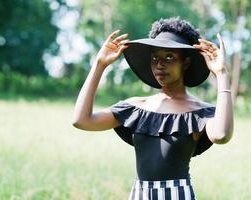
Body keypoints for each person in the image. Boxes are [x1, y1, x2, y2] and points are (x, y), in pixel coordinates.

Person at [72, 17, 233, 200]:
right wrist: (99, 65)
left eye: (169, 57)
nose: (160, 64)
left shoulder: (199, 113)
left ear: (186, 63)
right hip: (139, 195)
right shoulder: (136, 108)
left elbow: (221, 135)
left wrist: (221, 74)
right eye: (155, 57)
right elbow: (81, 120)